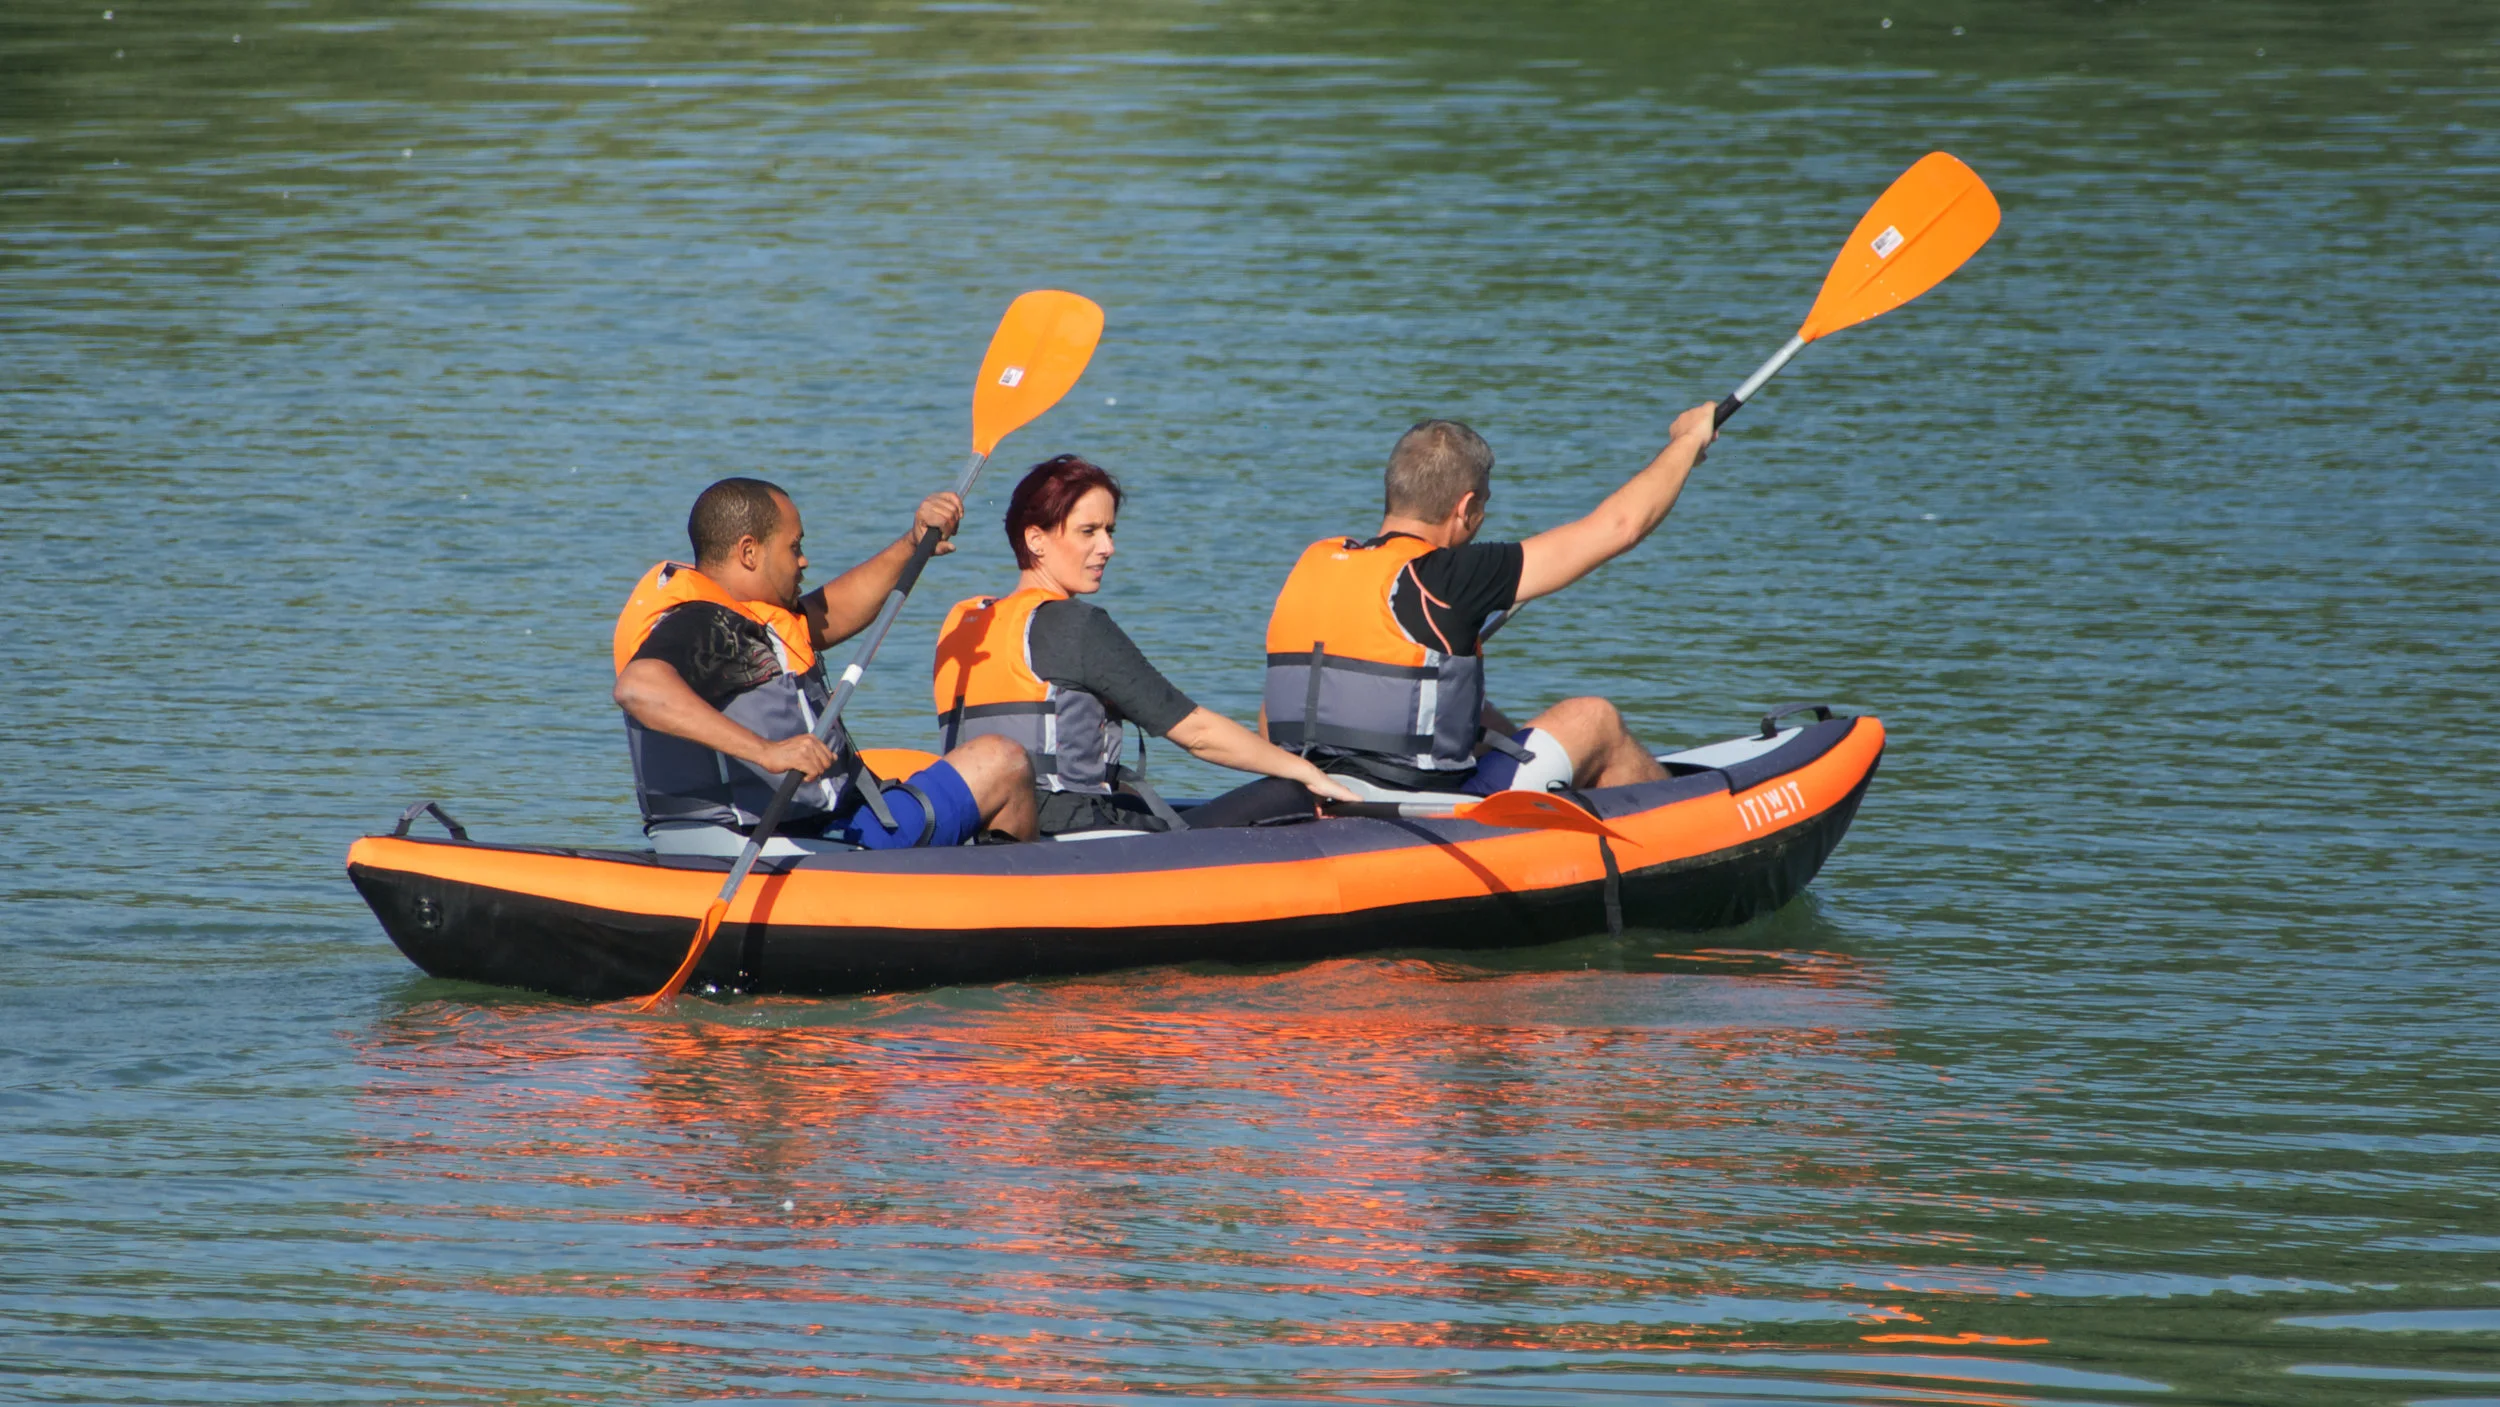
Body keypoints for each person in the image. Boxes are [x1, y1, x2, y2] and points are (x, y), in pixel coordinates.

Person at [1254, 403, 1721, 802]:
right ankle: (1692, 834)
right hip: (1411, 809)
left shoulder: (1315, 563)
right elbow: (1619, 527)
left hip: (1303, 791)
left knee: (1479, 715)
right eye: (1483, 508)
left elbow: (1278, 713)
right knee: (1594, 719)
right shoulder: (1449, 576)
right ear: (1466, 507)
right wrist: (1685, 443)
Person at [930, 454, 1359, 837]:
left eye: (1110, 531)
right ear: (1035, 539)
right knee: (1287, 793)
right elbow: (1197, 733)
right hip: (1067, 830)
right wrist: (1308, 773)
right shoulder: (1075, 625)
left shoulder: (965, 623)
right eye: (1088, 532)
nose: (1108, 548)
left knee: (1139, 802)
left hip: (979, 827)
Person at [613, 477, 1037, 855]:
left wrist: (914, 543)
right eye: (794, 547)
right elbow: (639, 688)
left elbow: (830, 611)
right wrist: (768, 752)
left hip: (778, 831)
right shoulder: (705, 624)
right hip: (802, 841)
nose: (803, 561)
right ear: (748, 552)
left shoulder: (747, 619)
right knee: (1004, 762)